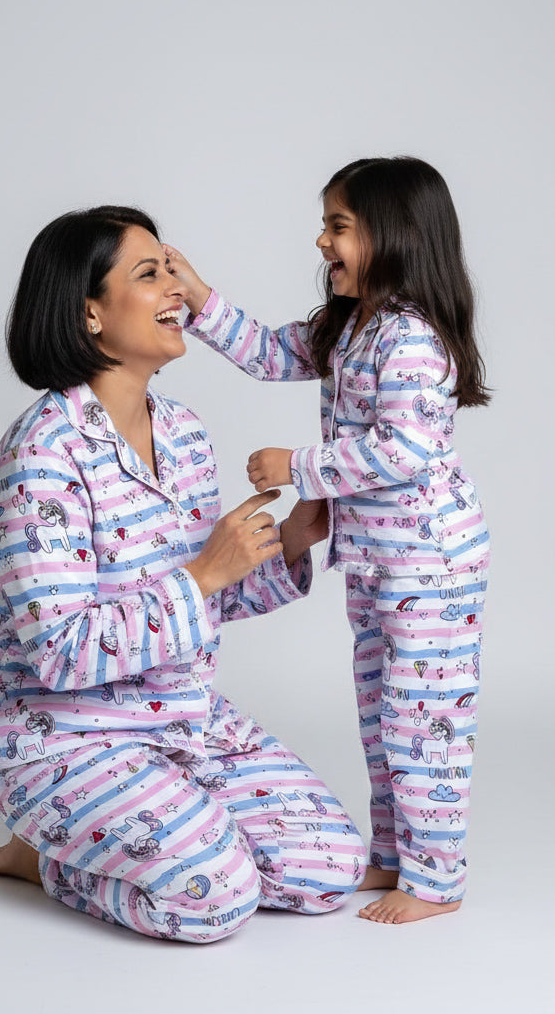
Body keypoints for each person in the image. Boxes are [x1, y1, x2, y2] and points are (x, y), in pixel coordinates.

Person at [0, 206, 365, 944]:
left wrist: (289, 540)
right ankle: (40, 857)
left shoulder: (181, 432)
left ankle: (168, 820)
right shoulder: (40, 458)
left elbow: (206, 599)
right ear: (88, 312)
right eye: (148, 274)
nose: (176, 288)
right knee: (214, 900)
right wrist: (204, 575)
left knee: (328, 871)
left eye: (171, 269)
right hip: (62, 738)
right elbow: (60, 654)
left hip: (185, 720)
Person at [164, 157, 491, 925]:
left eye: (338, 226)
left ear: (395, 236)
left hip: (432, 569)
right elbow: (266, 351)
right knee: (382, 717)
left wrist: (298, 467)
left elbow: (404, 451)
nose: (321, 241)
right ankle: (391, 852)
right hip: (379, 565)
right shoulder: (352, 327)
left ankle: (436, 880)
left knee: (425, 722)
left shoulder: (409, 340)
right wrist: (201, 297)